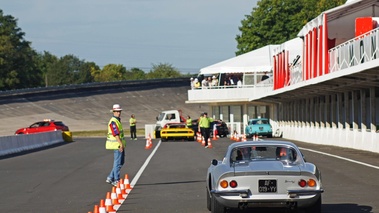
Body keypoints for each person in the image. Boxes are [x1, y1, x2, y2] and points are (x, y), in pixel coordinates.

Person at [105, 104, 126, 186]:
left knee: (121, 162)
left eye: (119, 111)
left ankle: (110, 177)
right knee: (117, 163)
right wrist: (120, 144)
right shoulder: (113, 121)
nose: (119, 113)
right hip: (117, 145)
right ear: (113, 112)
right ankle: (116, 180)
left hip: (119, 144)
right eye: (117, 111)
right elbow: (115, 133)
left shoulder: (117, 120)